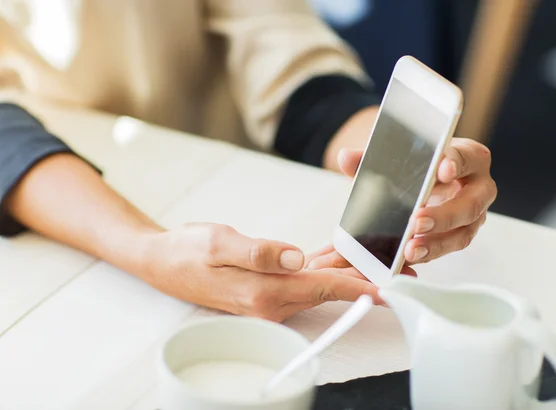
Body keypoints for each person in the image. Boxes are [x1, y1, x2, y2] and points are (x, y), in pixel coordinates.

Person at [0, 1, 497, 322]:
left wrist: (386, 152)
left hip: (234, 195)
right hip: (51, 235)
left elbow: (277, 39)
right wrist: (147, 251)